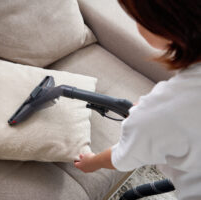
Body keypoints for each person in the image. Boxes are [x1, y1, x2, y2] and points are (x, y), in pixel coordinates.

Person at [74, 0, 201, 199]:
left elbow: (122, 157)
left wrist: (91, 163)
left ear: (164, 23)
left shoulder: (161, 112)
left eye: (136, 18)